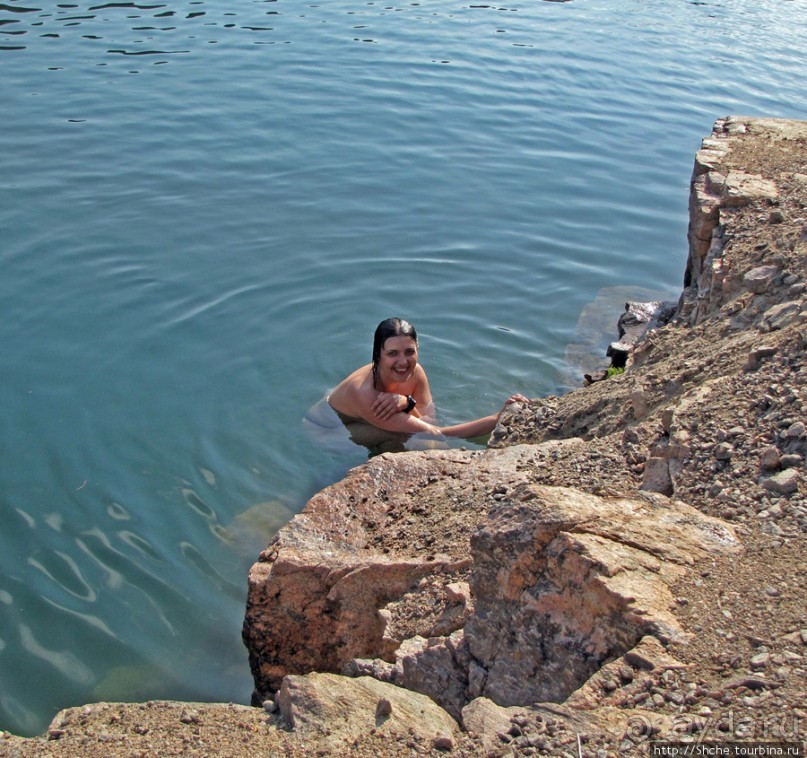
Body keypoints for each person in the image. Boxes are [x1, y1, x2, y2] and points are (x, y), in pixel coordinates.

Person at [327, 317, 528, 440]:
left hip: (359, 421)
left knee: (412, 437)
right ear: (378, 355)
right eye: (392, 354)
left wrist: (407, 402)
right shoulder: (367, 395)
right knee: (413, 439)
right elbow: (437, 433)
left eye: (409, 352)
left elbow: (427, 420)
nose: (403, 362)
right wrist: (497, 418)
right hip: (329, 430)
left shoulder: (416, 373)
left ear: (417, 349)